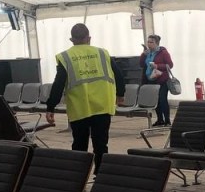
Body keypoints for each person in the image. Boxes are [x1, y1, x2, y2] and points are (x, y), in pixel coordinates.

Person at [45, 23, 125, 172]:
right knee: (101, 144)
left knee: (79, 144)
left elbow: (58, 84)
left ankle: (78, 174)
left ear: (71, 39)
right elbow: (119, 75)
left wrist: (51, 107)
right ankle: (100, 174)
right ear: (89, 38)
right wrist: (120, 94)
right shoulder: (102, 53)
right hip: (103, 105)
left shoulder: (65, 57)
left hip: (79, 107)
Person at [140, 34, 173, 126]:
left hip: (162, 80)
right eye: (148, 42)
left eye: (151, 42)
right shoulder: (148, 53)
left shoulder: (163, 53)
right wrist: (143, 55)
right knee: (155, 100)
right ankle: (160, 119)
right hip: (151, 80)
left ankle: (167, 120)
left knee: (162, 99)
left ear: (157, 43)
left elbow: (170, 65)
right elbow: (141, 64)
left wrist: (157, 66)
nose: (149, 44)